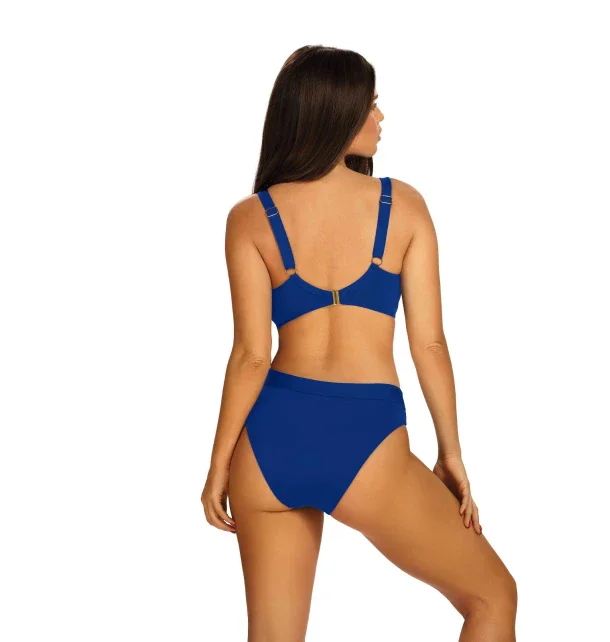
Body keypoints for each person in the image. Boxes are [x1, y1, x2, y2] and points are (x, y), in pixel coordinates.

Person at [201, 45, 517, 641]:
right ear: (336, 111)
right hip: (364, 439)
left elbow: (251, 355)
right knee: (493, 596)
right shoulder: (403, 206)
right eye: (370, 103)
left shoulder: (250, 217)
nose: (380, 116)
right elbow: (430, 346)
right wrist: (450, 453)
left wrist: (219, 466)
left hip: (268, 445)